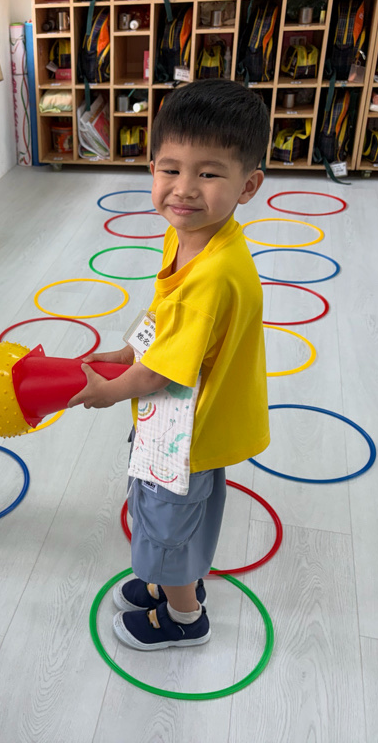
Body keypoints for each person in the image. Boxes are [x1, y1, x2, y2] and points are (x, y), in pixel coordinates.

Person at [68, 79, 270, 649]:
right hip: (180, 419)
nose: (183, 190)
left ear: (248, 185)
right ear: (151, 166)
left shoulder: (212, 275)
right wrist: (131, 350)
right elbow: (164, 315)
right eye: (171, 169)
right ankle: (169, 583)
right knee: (168, 515)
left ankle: (183, 617)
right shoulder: (189, 233)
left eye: (208, 174)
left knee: (167, 524)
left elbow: (164, 373)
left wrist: (109, 389)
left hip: (187, 429)